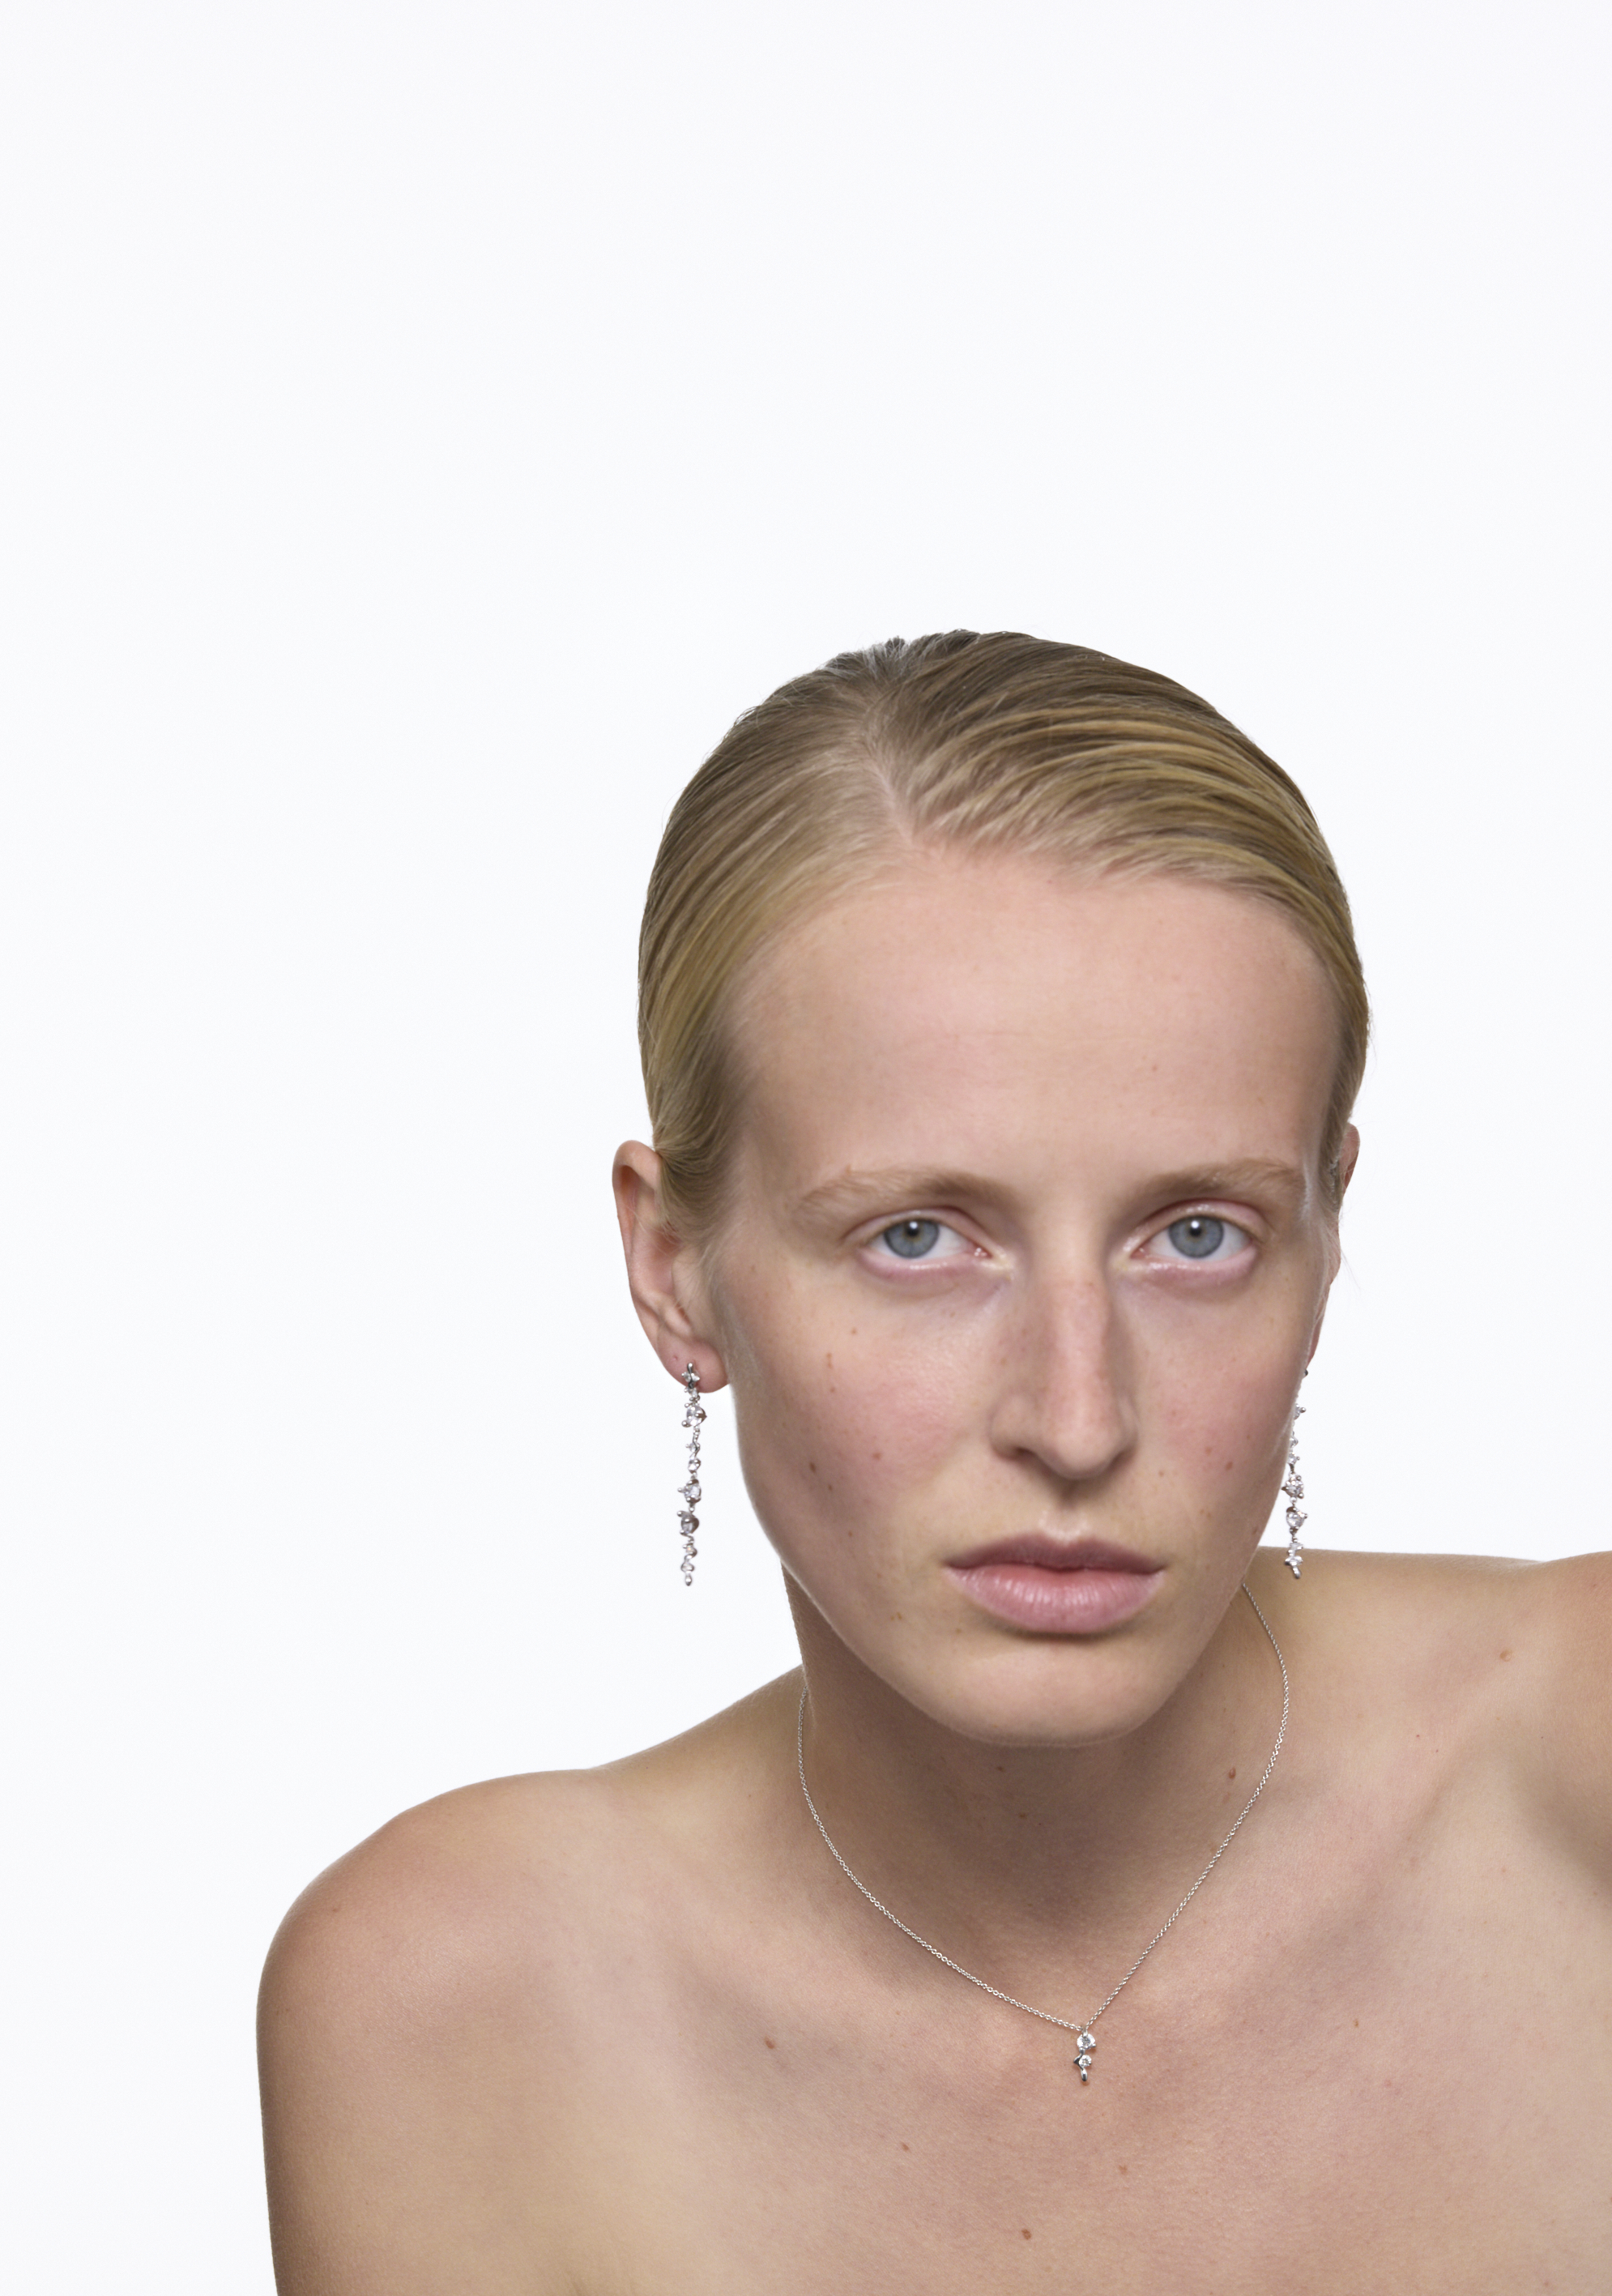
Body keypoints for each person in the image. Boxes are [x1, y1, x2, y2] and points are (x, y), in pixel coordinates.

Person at [258, 631, 1611, 2291]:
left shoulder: (1575, 1769)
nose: (1076, 1418)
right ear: (673, 1268)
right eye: (917, 1238)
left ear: (1325, 1238)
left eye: (1195, 1234)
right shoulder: (460, 2008)